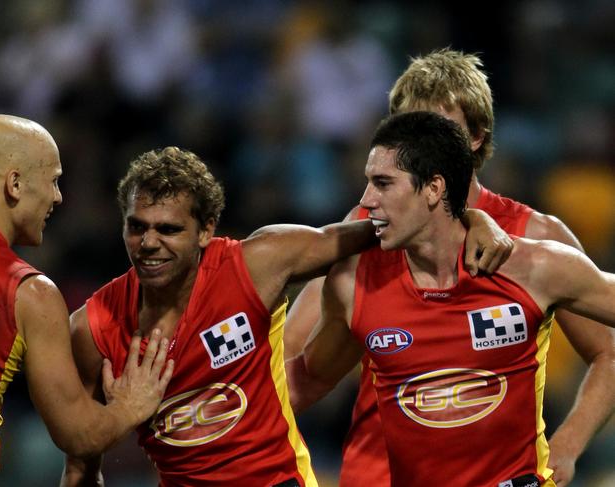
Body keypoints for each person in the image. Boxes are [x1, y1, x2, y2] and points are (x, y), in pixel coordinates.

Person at [60, 146, 510, 486]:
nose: (149, 243)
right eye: (137, 227)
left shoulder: (256, 264)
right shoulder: (91, 328)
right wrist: (124, 412)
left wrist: (471, 216)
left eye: (169, 229)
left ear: (206, 231)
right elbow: (81, 460)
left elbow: (382, 228)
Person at [283, 48, 615, 487]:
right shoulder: (362, 235)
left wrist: (568, 447)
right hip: (378, 471)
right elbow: (297, 362)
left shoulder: (536, 244)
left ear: (475, 137)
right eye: (404, 130)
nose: (415, 146)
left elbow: (608, 349)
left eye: (435, 130)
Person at [0, 114, 174, 486]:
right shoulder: (28, 292)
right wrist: (130, 406)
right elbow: (78, 434)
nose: (58, 197)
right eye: (54, 180)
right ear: (14, 183)